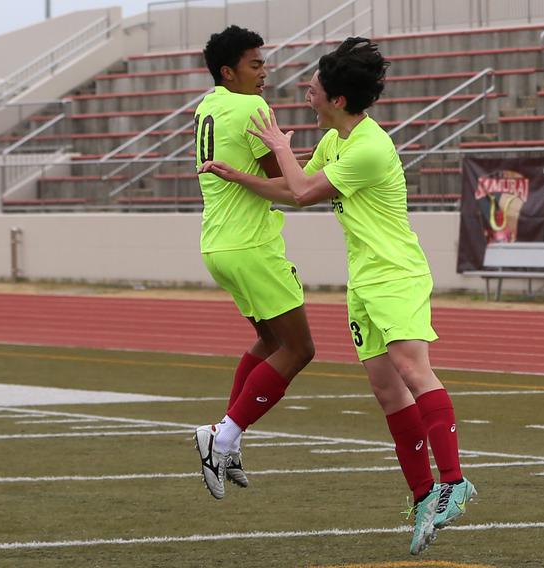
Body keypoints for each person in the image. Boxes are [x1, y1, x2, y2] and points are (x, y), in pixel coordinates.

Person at [199, 37, 475, 556]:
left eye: (316, 85)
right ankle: (422, 497)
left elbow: (299, 190)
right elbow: (296, 189)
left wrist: (278, 146)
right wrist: (238, 175)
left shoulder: (370, 146)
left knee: (414, 371)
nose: (308, 89)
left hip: (395, 275)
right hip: (364, 282)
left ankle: (454, 483)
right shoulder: (336, 140)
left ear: (338, 101)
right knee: (388, 392)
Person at [192, 25, 315, 501]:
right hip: (251, 245)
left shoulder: (208, 105)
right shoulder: (250, 108)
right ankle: (220, 436)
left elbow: (272, 170)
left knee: (268, 340)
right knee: (299, 349)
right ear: (229, 71)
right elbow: (286, 183)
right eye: (255, 64)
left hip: (218, 245)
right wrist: (335, 166)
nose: (265, 72)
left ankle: (230, 439)